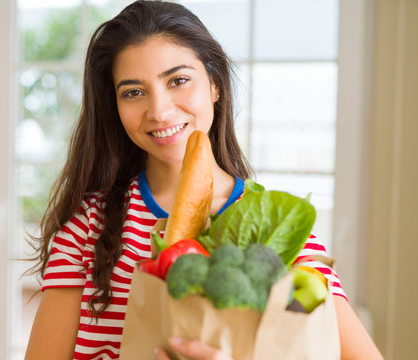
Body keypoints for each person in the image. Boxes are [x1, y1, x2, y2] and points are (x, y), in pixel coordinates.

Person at [24, 1, 383, 359]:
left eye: (178, 80)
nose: (159, 110)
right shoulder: (88, 226)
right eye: (133, 92)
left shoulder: (279, 226)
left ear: (215, 85)